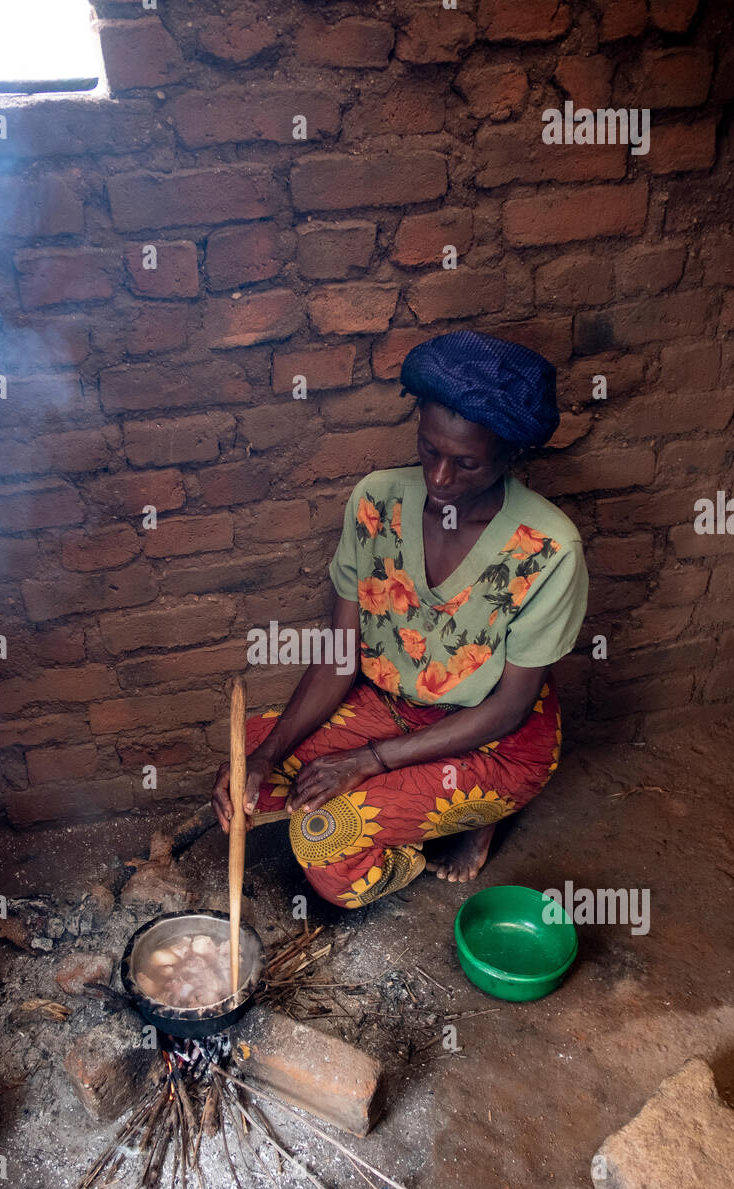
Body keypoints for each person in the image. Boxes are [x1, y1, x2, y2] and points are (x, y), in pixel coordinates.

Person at [211, 330, 588, 908]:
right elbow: (340, 659)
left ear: (511, 455)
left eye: (466, 463)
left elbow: (509, 707)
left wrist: (365, 763)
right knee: (246, 765)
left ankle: (466, 819)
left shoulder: (549, 547)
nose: (439, 480)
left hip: (495, 739)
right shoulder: (375, 502)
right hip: (389, 709)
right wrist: (265, 757)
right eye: (430, 450)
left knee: (322, 842)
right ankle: (417, 806)